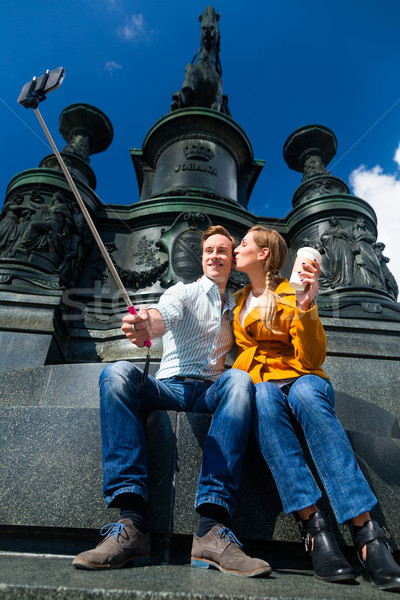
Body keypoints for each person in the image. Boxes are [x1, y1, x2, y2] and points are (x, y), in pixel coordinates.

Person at [72, 225, 271, 578]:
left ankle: (211, 527)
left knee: (240, 380)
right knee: (117, 373)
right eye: (208, 250)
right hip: (169, 386)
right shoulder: (184, 291)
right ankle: (131, 523)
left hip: (211, 390)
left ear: (232, 260)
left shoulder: (240, 306)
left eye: (222, 251)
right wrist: (147, 324)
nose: (214, 255)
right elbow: (163, 315)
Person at [232, 224, 400, 591]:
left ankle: (368, 533)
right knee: (262, 398)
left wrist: (306, 307)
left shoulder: (292, 290)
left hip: (301, 376)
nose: (235, 249)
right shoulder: (239, 300)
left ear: (263, 254)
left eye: (243, 244)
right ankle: (314, 526)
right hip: (262, 382)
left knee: (308, 395)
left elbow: (311, 357)